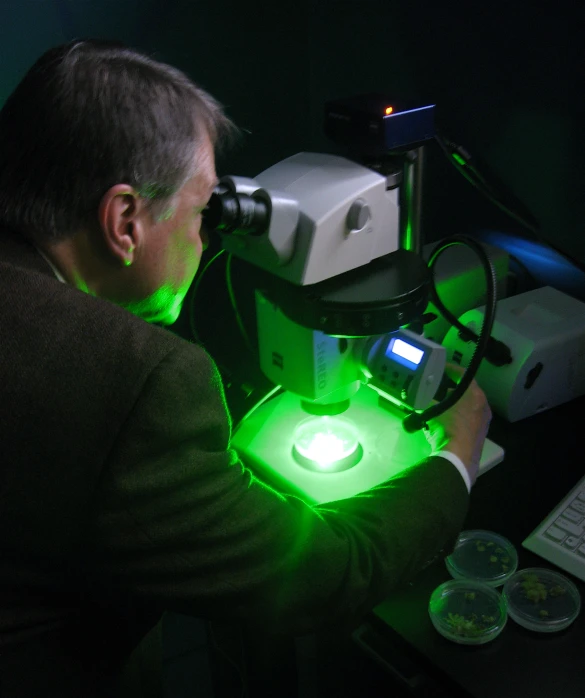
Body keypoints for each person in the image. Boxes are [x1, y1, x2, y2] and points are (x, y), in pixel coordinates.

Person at [0, 40, 491, 697]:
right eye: (202, 213)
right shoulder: (134, 381)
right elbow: (325, 573)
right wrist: (457, 452)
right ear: (124, 221)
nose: (206, 240)